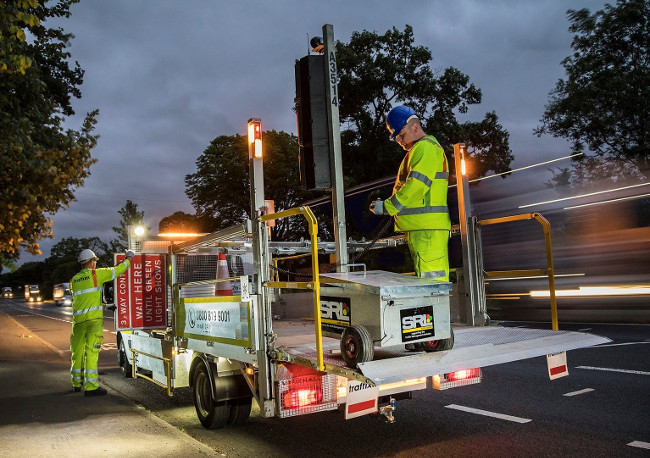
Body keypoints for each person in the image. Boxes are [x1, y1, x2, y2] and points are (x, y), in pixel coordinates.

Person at [370, 105, 451, 282]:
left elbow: (417, 186)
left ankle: (439, 311)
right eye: (396, 137)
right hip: (423, 228)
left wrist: (387, 207)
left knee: (432, 283)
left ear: (414, 127)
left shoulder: (425, 148)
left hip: (426, 228)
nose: (399, 140)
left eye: (401, 134)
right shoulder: (420, 150)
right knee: (429, 281)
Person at [70, 248, 134, 396]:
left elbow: (84, 300)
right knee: (91, 352)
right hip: (93, 322)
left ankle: (76, 382)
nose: (95, 264)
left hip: (78, 323)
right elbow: (117, 270)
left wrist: (105, 305)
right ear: (92, 262)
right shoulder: (96, 274)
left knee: (77, 352)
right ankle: (91, 386)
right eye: (95, 262)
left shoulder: (73, 280)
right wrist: (129, 258)